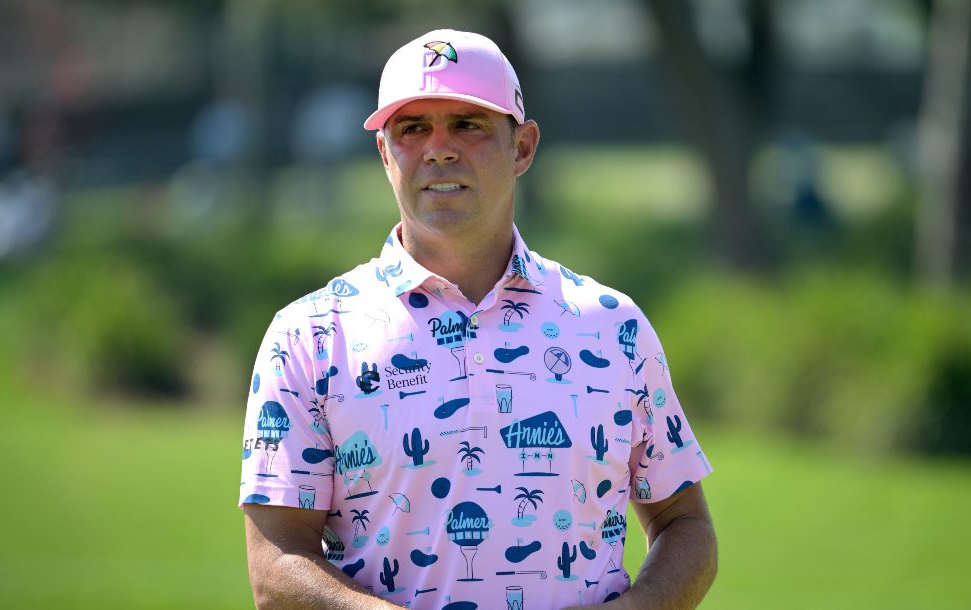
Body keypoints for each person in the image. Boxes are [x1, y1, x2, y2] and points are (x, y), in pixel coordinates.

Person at [239, 29, 717, 609]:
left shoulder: (613, 327)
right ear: (385, 154)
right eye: (412, 129)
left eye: (468, 124)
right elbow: (276, 569)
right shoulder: (309, 336)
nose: (439, 149)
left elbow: (684, 524)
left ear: (523, 148)